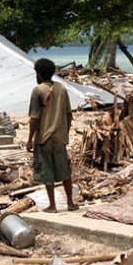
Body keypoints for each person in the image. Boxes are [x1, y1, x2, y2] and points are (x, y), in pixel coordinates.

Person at [26, 58, 78, 213]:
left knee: (47, 171)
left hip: (44, 138)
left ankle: (53, 205)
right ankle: (70, 203)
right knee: (65, 171)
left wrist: (30, 139)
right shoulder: (61, 88)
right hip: (60, 138)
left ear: (39, 74)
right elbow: (69, 115)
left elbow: (34, 118)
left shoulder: (38, 90)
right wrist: (65, 133)